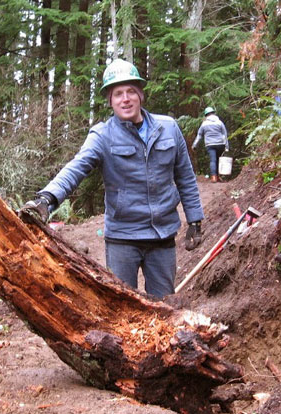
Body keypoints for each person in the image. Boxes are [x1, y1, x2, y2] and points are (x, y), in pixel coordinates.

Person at [21, 58, 204, 298]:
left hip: (162, 237)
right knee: (121, 307)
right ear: (110, 100)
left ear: (140, 95)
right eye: (118, 94)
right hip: (122, 239)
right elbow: (75, 169)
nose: (125, 99)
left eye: (130, 91)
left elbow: (186, 178)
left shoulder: (168, 128)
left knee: (164, 308)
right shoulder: (102, 135)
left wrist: (195, 221)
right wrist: (47, 199)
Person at [192, 106, 228, 183]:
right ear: (214, 113)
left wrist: (195, 145)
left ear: (206, 115)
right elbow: (224, 134)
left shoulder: (204, 124)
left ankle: (214, 177)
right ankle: (219, 177)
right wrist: (227, 146)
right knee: (219, 160)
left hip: (210, 144)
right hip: (220, 144)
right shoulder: (219, 122)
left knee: (213, 160)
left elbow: (199, 135)